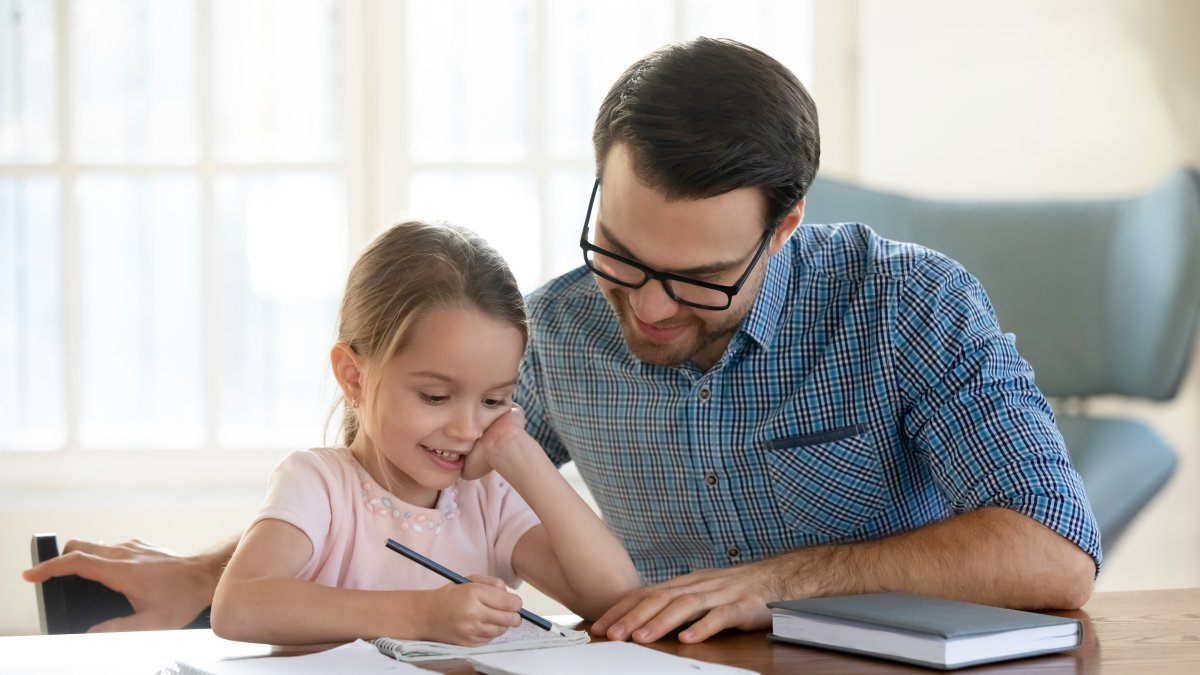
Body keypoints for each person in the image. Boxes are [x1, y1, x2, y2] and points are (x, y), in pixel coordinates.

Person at [24, 37, 1100, 644]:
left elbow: (1056, 550)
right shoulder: (557, 327)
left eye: (700, 280)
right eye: (622, 255)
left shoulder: (908, 308)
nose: (649, 310)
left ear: (784, 230)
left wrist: (774, 581)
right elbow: (418, 468)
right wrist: (213, 575)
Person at [207, 220, 638, 646]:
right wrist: (421, 614)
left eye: (494, 401)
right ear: (353, 377)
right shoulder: (319, 485)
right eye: (434, 396)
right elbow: (238, 607)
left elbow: (617, 602)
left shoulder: (490, 496)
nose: (467, 429)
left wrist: (520, 453)